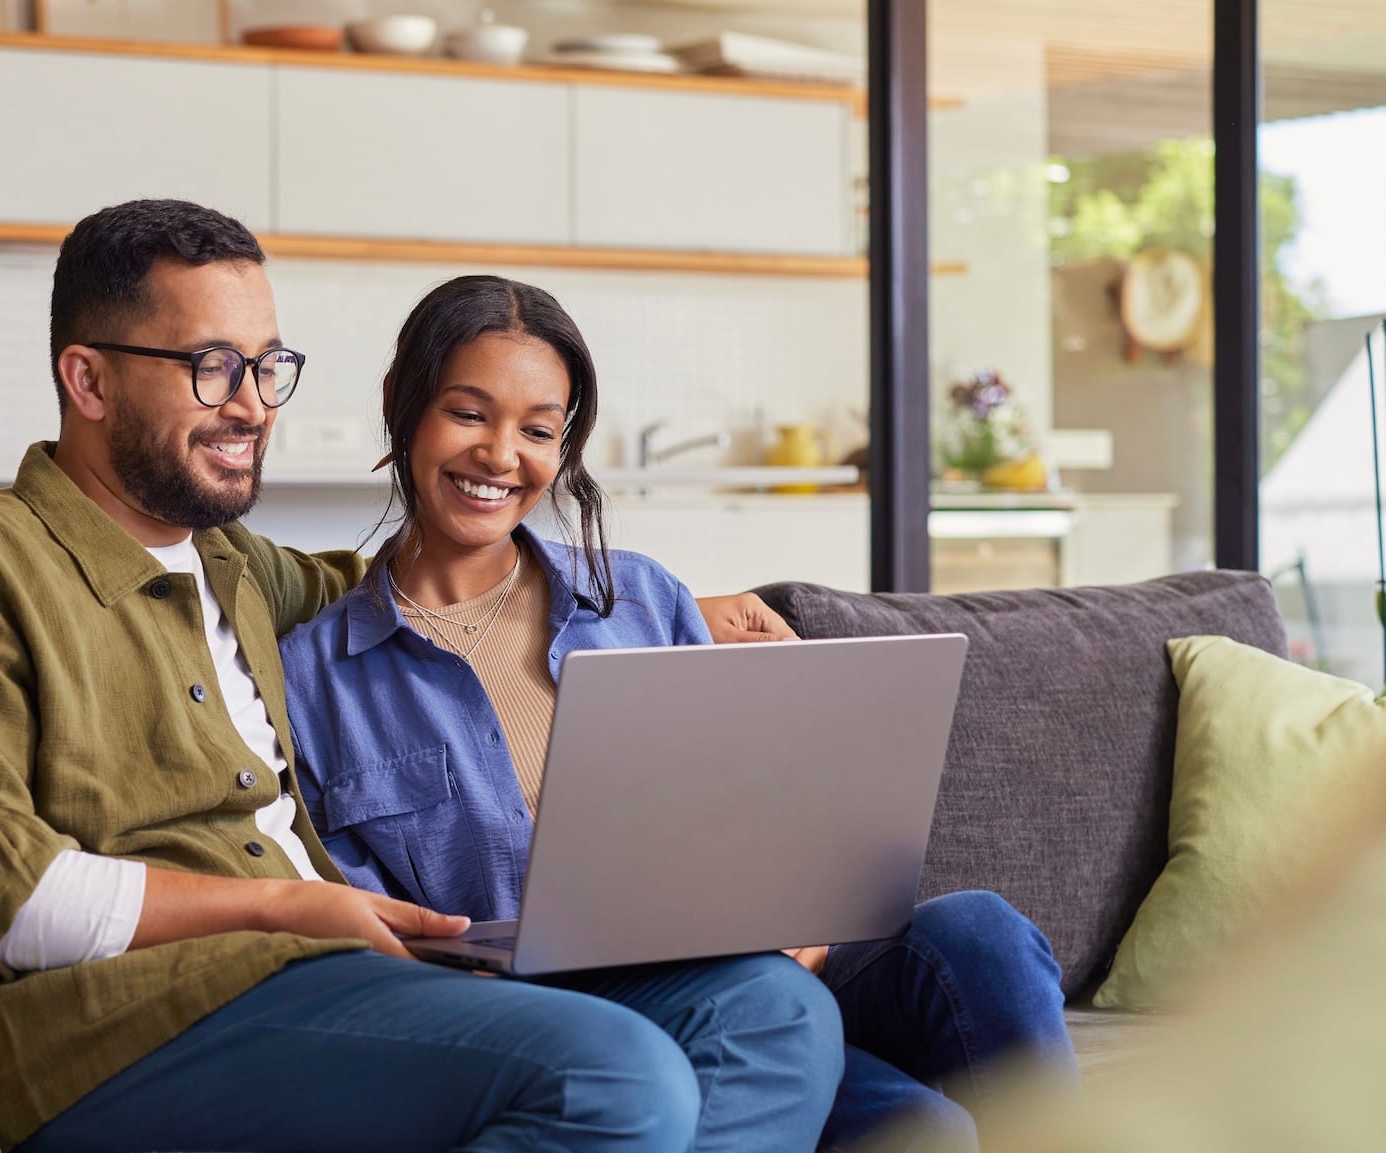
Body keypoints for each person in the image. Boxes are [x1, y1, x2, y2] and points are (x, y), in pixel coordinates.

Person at [0, 200, 844, 1153]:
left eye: (266, 366)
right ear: (88, 381)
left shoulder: (236, 570)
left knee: (767, 1007)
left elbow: (413, 587)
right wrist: (277, 905)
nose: (250, 406)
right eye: (210, 366)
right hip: (111, 1030)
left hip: (325, 981)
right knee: (612, 1076)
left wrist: (652, 606)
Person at [279, 273, 1081, 1153]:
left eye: (539, 430)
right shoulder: (317, 679)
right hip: (573, 1018)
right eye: (469, 414)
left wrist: (803, 923)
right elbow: (374, 947)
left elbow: (767, 808)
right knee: (925, 1129)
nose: (502, 455)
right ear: (402, 405)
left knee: (982, 932)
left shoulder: (642, 600)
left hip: (763, 965)